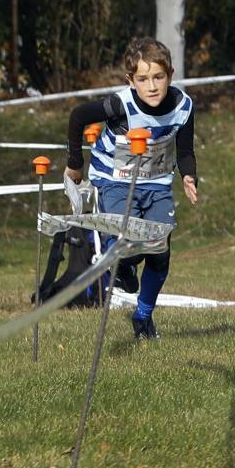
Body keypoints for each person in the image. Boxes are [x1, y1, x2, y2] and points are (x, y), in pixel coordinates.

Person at [64, 38, 199, 340]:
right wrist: (74, 163)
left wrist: (189, 176)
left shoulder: (183, 107)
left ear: (170, 75)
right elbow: (77, 117)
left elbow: (185, 150)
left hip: (156, 184)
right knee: (128, 243)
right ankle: (122, 262)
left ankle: (143, 316)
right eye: (143, 79)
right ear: (131, 81)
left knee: (159, 251)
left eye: (158, 77)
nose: (152, 86)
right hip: (114, 180)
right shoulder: (119, 104)